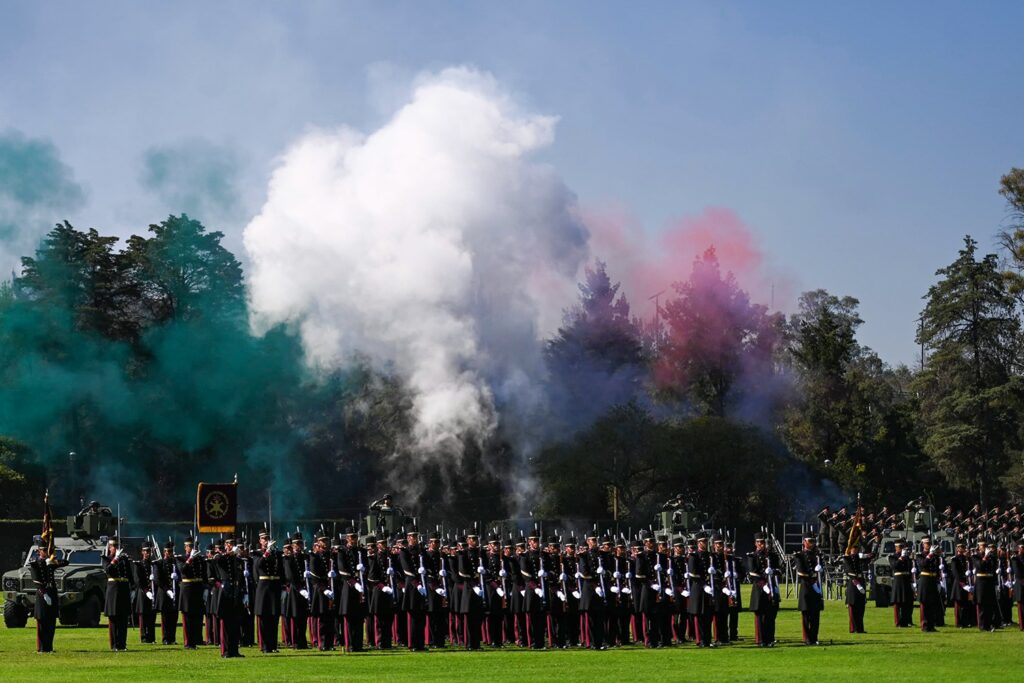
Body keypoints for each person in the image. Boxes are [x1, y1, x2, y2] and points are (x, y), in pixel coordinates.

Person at [28, 547, 67, 652]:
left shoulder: (50, 563)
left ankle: (49, 647)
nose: (46, 552)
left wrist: (53, 560)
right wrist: (44, 594)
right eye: (44, 550)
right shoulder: (35, 564)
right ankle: (41, 648)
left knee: (51, 622)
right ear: (39, 551)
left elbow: (65, 562)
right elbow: (36, 582)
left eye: (47, 550)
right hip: (42, 594)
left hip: (52, 593)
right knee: (42, 622)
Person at [746, 532, 778, 647]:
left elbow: (779, 570)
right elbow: (752, 574)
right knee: (760, 615)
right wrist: (764, 584)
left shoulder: (772, 555)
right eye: (759, 542)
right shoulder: (752, 557)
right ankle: (760, 640)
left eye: (763, 542)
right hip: (759, 589)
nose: (761, 544)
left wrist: (773, 571)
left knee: (770, 615)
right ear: (755, 543)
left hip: (771, 588)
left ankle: (770, 638)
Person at [252, 531, 281, 653]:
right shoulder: (256, 553)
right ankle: (264, 646)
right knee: (264, 618)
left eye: (267, 538)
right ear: (260, 540)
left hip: (274, 587)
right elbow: (258, 566)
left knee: (274, 617)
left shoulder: (276, 554)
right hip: (263, 588)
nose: (266, 540)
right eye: (264, 538)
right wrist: (267, 552)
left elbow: (281, 570)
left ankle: (273, 645)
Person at [102, 536, 133, 651]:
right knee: (114, 619)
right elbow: (108, 571)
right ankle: (115, 644)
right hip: (113, 590)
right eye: (114, 546)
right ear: (110, 548)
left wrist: (133, 589)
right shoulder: (106, 559)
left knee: (123, 619)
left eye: (117, 546)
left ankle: (122, 644)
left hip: (124, 589)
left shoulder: (124, 560)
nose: (116, 548)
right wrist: (115, 559)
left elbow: (129, 575)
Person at [793, 534, 824, 645]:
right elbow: (801, 572)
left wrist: (821, 570)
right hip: (806, 586)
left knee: (816, 615)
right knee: (806, 615)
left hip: (816, 587)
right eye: (809, 541)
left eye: (813, 541)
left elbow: (822, 571)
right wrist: (813, 575)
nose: (812, 543)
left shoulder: (818, 555)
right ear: (804, 542)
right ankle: (807, 638)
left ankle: (814, 637)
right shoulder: (799, 555)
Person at [176, 536, 205, 649]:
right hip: (187, 590)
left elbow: (204, 574)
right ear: (185, 547)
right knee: (187, 617)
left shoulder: (200, 559)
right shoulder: (181, 558)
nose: (192, 548)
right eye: (189, 546)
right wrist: (190, 559)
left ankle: (196, 639)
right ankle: (188, 642)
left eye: (193, 546)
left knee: (197, 616)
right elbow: (183, 570)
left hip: (197, 588)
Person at [131, 540, 158, 644]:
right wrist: (146, 591)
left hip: (153, 594)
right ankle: (143, 637)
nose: (147, 553)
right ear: (142, 552)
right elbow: (137, 581)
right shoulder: (138, 565)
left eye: (148, 551)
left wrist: (154, 580)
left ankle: (151, 637)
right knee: (143, 616)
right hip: (142, 594)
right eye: (145, 551)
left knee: (152, 616)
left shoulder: (153, 564)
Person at [915, 536, 942, 632]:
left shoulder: (935, 556)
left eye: (929, 543)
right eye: (926, 543)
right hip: (925, 580)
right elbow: (923, 565)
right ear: (923, 544)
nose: (928, 545)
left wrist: (938, 581)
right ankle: (924, 625)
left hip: (932, 579)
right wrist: (930, 555)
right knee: (924, 604)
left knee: (932, 604)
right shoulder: (920, 555)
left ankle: (931, 625)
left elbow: (937, 569)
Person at [155, 541, 178, 645]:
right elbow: (158, 579)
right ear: (164, 552)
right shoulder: (159, 563)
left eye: (171, 551)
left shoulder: (176, 562)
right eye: (167, 551)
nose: (169, 553)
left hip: (175, 593)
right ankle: (165, 638)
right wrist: (167, 590)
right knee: (165, 618)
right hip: (164, 594)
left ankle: (172, 638)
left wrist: (177, 577)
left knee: (174, 617)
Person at [842, 544, 869, 633]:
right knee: (853, 607)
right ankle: (853, 628)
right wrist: (856, 583)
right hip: (853, 584)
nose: (855, 550)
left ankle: (860, 628)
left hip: (861, 580)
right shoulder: (847, 559)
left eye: (856, 549)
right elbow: (849, 571)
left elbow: (871, 556)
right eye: (853, 549)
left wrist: (865, 555)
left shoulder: (859, 558)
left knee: (861, 607)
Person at [890, 540, 914, 627]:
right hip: (898, 580)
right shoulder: (893, 557)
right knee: (898, 602)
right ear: (896, 547)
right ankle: (898, 621)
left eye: (902, 547)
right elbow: (894, 566)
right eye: (900, 547)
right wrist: (901, 558)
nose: (901, 549)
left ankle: (906, 620)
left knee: (907, 602)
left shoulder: (907, 558)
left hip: (906, 580)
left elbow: (909, 567)